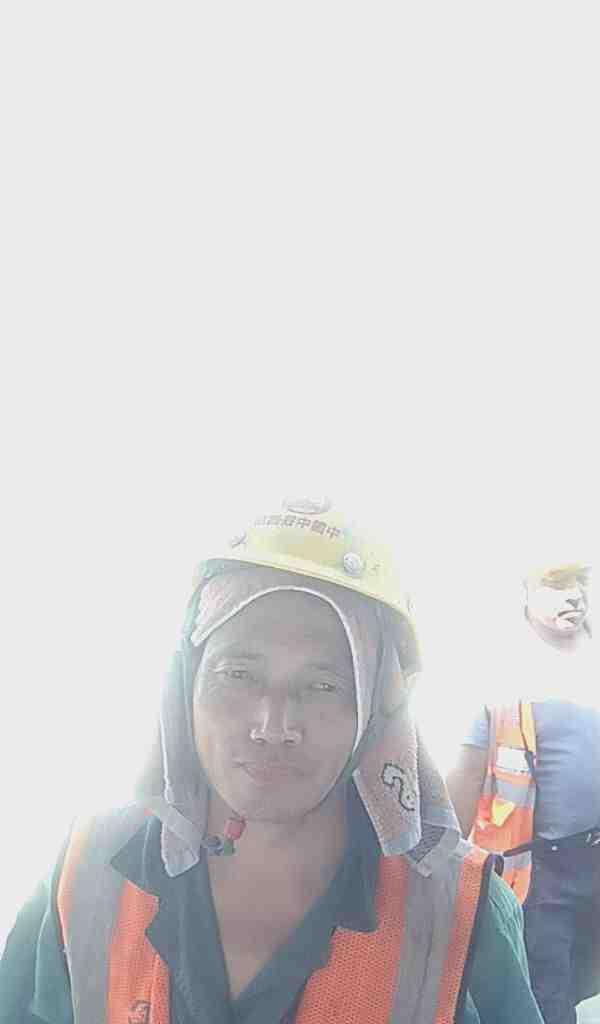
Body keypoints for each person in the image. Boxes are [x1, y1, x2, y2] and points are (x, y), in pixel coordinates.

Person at [1, 498, 543, 1024]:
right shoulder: (90, 868)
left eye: (324, 685)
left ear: (376, 710)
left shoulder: (458, 911)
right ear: (186, 683)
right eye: (238, 674)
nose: (273, 726)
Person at [446, 562, 594, 1024]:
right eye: (557, 583)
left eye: (582, 582)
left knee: (584, 980)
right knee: (548, 996)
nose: (575, 594)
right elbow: (466, 774)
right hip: (542, 872)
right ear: (524, 594)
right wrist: (440, 866)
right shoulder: (500, 673)